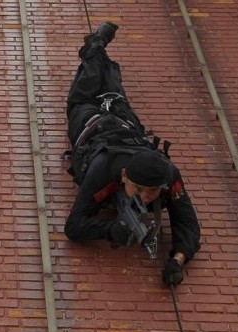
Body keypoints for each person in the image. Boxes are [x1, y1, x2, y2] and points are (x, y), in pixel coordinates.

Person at [64, 22, 201, 286]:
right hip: (88, 121)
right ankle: (95, 45)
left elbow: (187, 222)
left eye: (151, 192)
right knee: (89, 82)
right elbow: (74, 226)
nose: (145, 197)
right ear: (124, 175)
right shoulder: (103, 169)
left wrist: (178, 260)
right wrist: (109, 230)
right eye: (138, 188)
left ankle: (97, 48)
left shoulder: (167, 174)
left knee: (113, 86)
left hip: (123, 121)